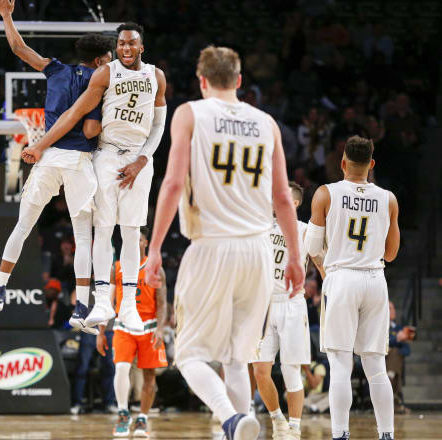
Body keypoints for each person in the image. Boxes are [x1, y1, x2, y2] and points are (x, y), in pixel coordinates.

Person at [144, 46, 304, 440]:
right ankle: (241, 424)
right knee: (238, 357)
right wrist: (296, 257)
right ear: (239, 81)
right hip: (258, 251)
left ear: (201, 81)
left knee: (190, 355)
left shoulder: (190, 113)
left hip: (212, 246)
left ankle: (230, 418)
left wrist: (154, 248)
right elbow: (283, 197)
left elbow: (173, 183)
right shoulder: (266, 123)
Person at [23, 22, 168, 335]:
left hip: (140, 159)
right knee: (102, 229)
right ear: (116, 48)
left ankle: (128, 305)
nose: (126, 49)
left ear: (141, 47)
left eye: (132, 44)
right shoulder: (106, 74)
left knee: (131, 232)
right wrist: (40, 144)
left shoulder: (156, 76)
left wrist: (142, 160)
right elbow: (74, 113)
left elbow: (158, 126)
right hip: (107, 155)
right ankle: (103, 300)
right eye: (121, 45)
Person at [0, 0, 114, 338]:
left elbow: (18, 47)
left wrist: (7, 16)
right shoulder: (102, 81)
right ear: (100, 61)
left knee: (23, 226)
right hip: (78, 161)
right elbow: (92, 128)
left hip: (49, 158)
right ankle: (81, 306)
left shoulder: (55, 70)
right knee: (83, 236)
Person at [305, 135, 400, 440]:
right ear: (371, 164)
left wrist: (326, 269)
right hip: (374, 279)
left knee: (340, 365)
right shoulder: (389, 198)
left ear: (342, 162)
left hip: (342, 277)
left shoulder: (325, 194)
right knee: (376, 367)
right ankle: (386, 434)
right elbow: (391, 254)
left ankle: (340, 435)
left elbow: (312, 246)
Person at [251, 182, 318, 440]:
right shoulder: (261, 225)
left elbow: (320, 259)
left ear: (296, 203)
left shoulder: (304, 231)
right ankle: (277, 418)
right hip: (263, 305)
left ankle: (295, 427)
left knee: (292, 371)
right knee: (260, 371)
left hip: (291, 303)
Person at [96, 227, 167, 437]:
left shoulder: (155, 269)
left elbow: (162, 303)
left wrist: (161, 329)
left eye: (138, 239)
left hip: (149, 327)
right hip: (123, 327)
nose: (134, 242)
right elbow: (107, 302)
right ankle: (123, 414)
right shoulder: (116, 267)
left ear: (145, 243)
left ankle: (143, 419)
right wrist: (101, 331)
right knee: (121, 369)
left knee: (149, 376)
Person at [386, 301, 413, 414]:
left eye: (393, 308)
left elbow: (407, 350)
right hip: (382, 359)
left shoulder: (398, 328)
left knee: (397, 353)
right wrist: (397, 340)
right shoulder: (379, 327)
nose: (393, 310)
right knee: (394, 353)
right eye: (389, 308)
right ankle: (397, 401)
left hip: (392, 363)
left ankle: (390, 378)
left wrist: (401, 343)